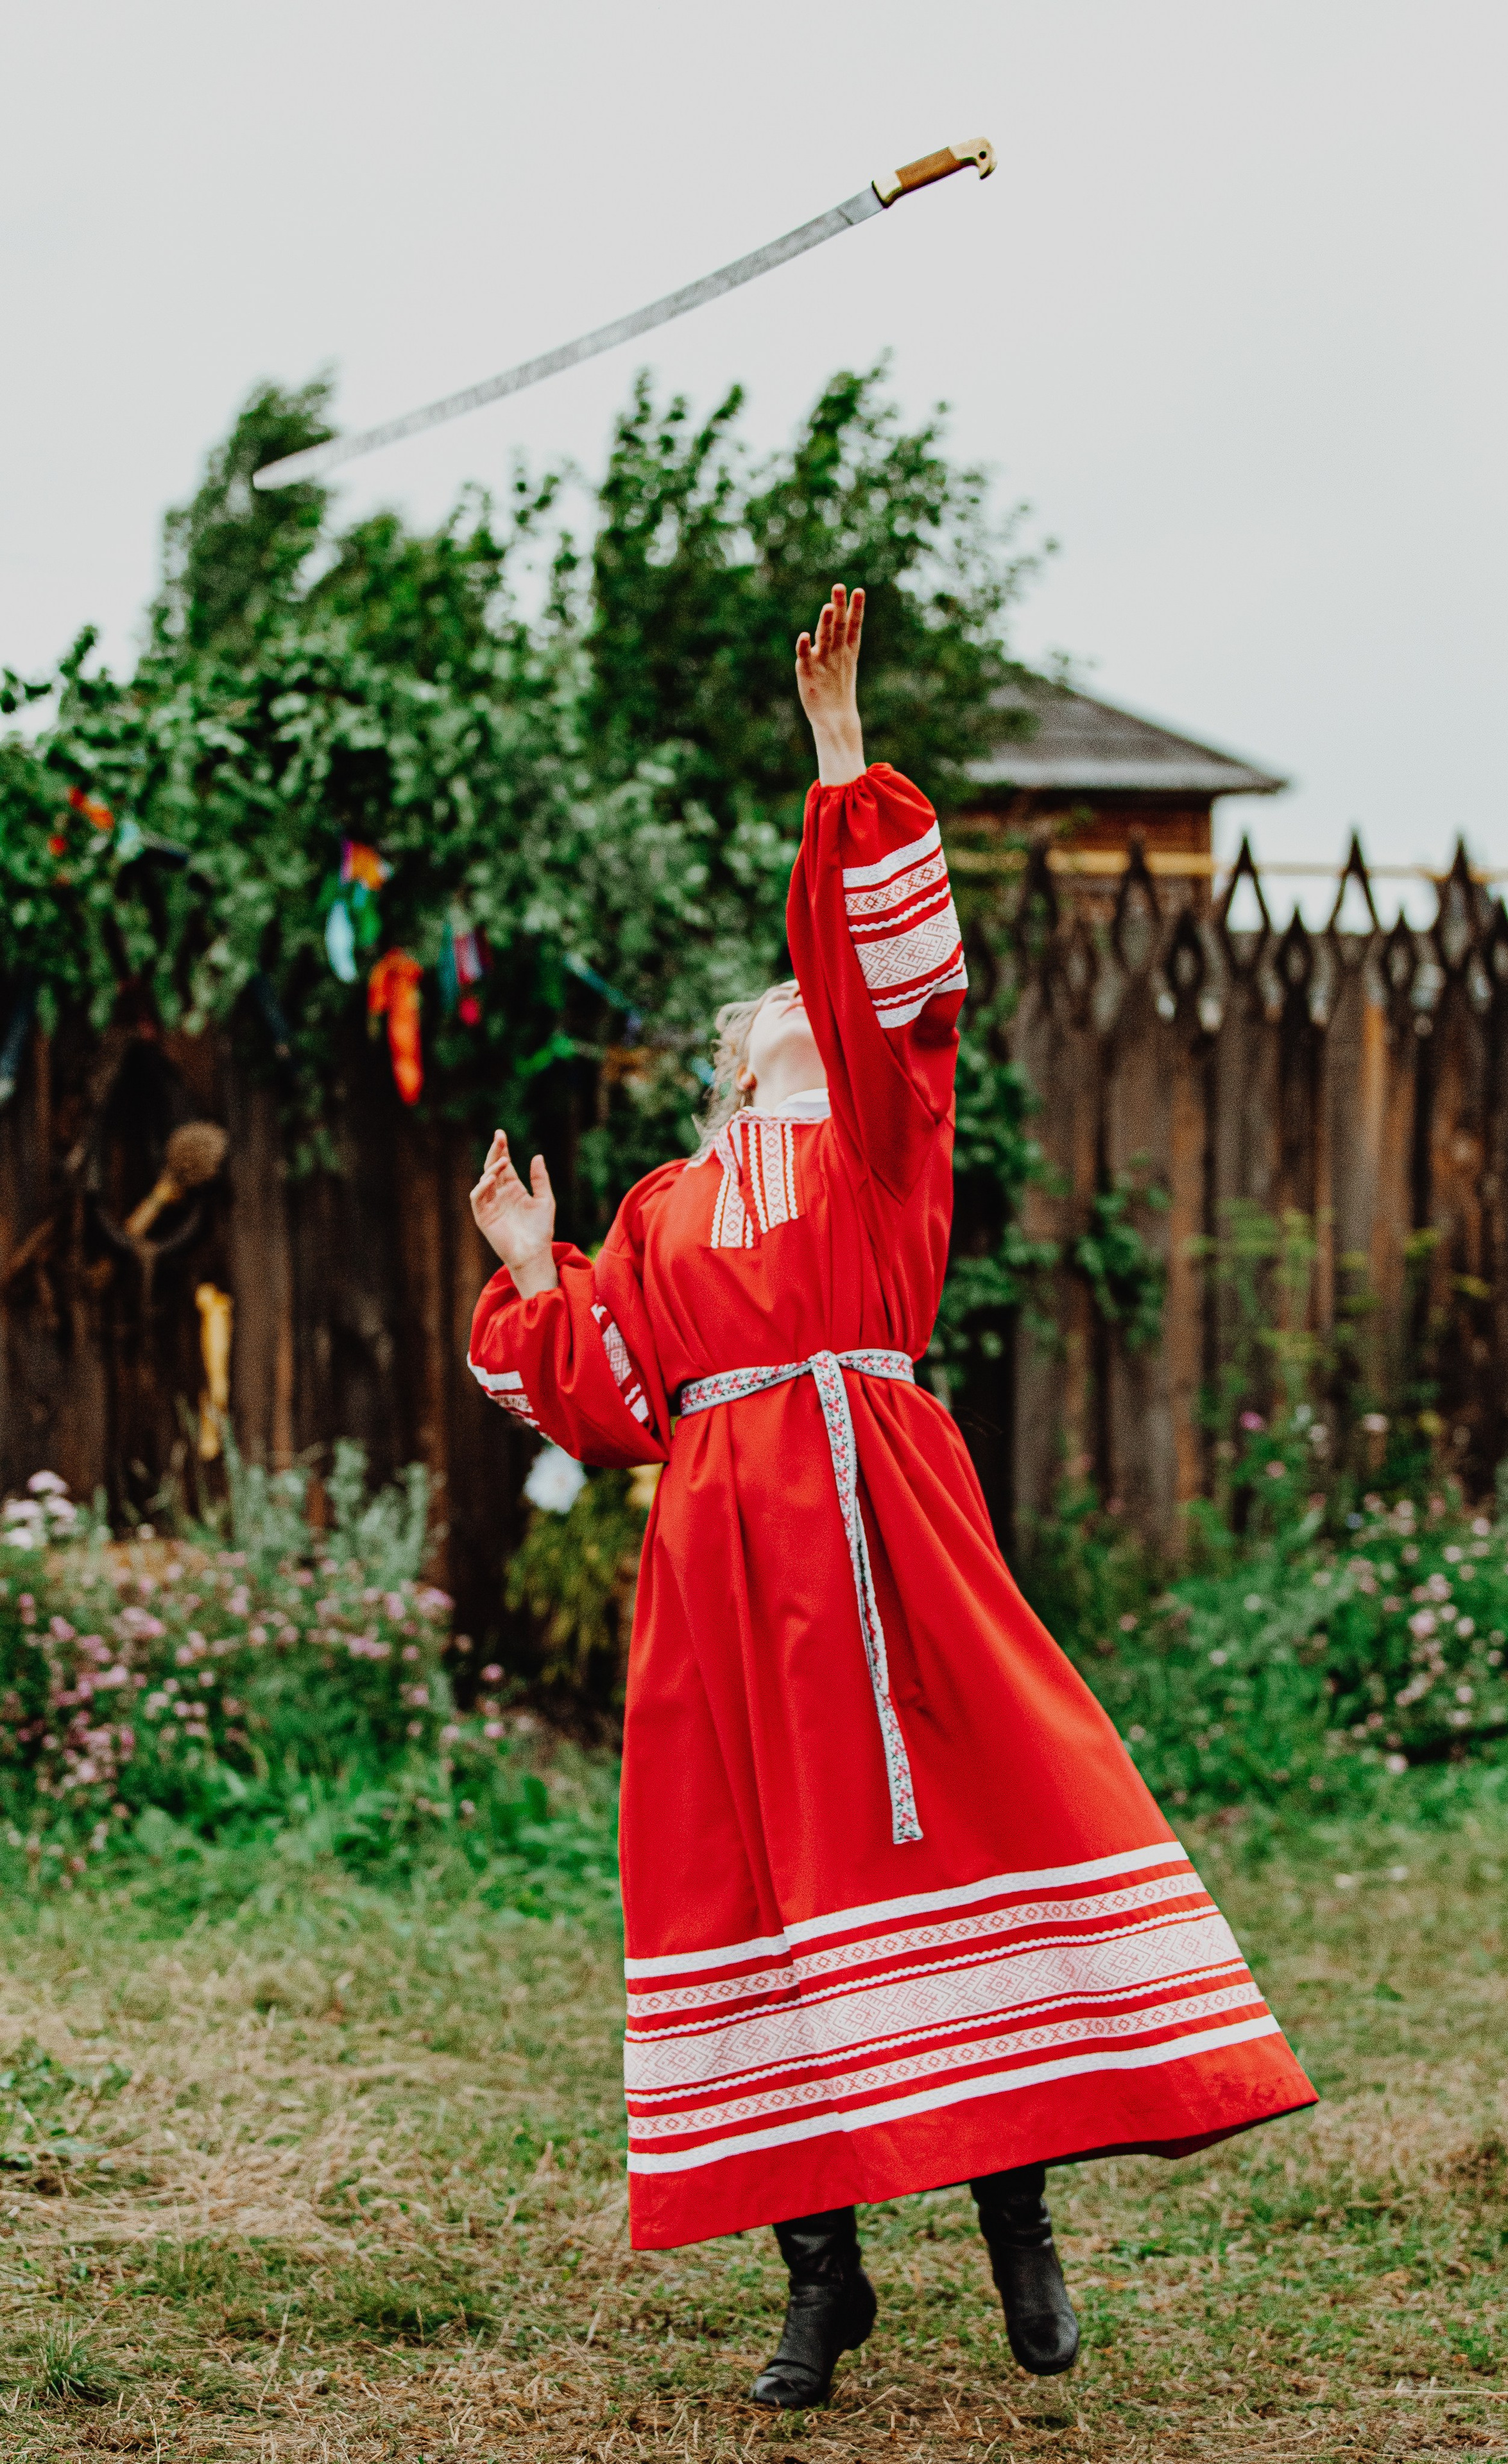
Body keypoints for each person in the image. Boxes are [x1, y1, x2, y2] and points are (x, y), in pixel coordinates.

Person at [468, 586, 1315, 2408]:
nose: (805, 1005)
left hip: (878, 1537)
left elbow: (890, 990)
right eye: (777, 1006)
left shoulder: (878, 1143)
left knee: (964, 1847)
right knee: (758, 1884)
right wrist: (538, 1267)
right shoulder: (663, 1211)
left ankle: (1021, 2228)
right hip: (719, 1569)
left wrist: (843, 761)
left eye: (817, 997)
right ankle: (821, 2279)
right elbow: (606, 1390)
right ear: (725, 1067)